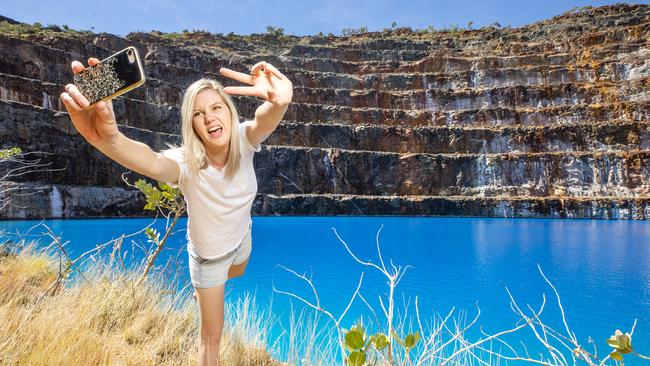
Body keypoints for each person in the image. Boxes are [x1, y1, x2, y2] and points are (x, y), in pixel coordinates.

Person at [60, 57, 293, 365]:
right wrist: (110, 140)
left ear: (229, 112)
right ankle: (205, 290)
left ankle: (209, 289)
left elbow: (266, 118)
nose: (209, 118)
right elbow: (152, 161)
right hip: (208, 258)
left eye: (216, 108)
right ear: (191, 124)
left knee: (238, 270)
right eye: (198, 113)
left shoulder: (243, 138)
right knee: (211, 336)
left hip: (242, 239)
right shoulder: (186, 163)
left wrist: (280, 104)